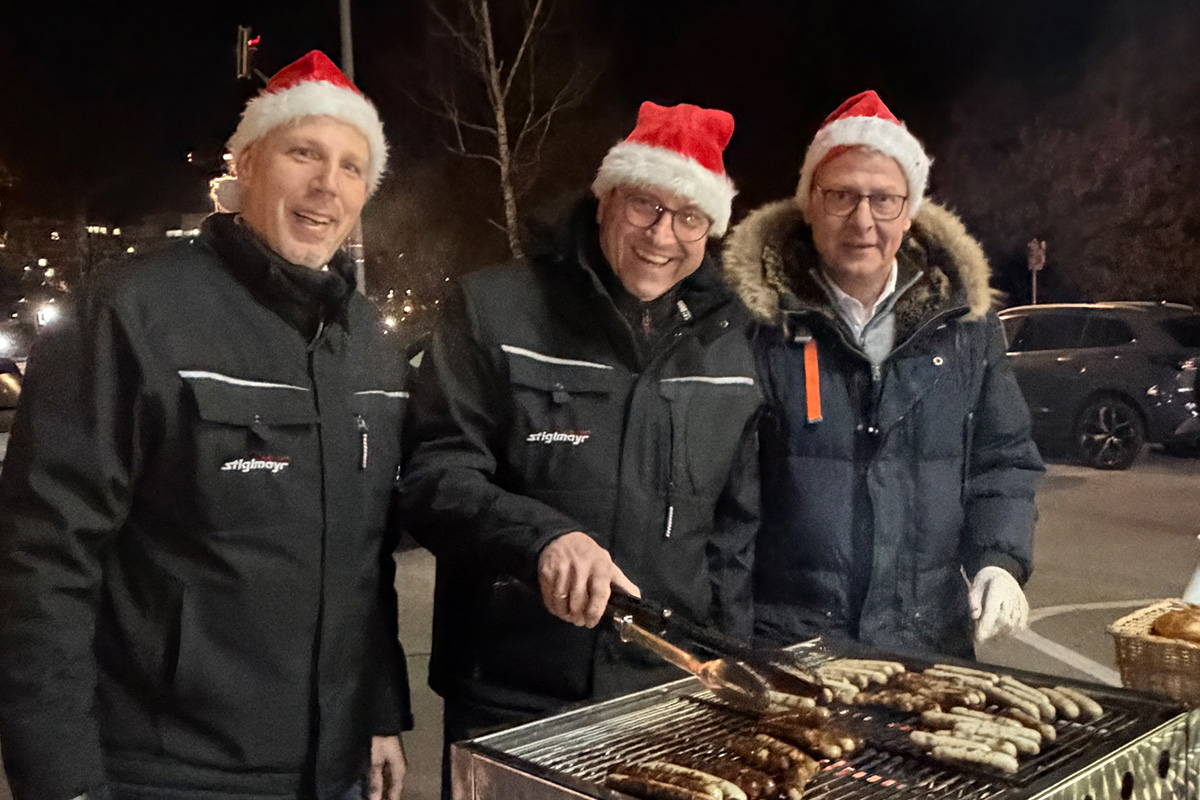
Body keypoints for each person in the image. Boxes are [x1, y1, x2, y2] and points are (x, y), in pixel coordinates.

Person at [0, 51, 410, 800]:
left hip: (334, 769)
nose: (328, 185)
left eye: (354, 166)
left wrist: (378, 712)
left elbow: (362, 557)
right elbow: (42, 565)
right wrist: (60, 780)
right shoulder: (131, 313)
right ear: (247, 163)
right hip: (169, 772)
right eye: (304, 153)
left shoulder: (371, 342)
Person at [400, 101, 761, 795]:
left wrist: (726, 668)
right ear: (604, 201)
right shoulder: (496, 310)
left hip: (666, 699)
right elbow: (433, 476)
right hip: (512, 696)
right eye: (645, 205)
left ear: (710, 230)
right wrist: (541, 540)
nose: (663, 235)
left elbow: (732, 538)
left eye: (689, 217)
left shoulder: (731, 343)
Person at [722, 90, 1045, 660]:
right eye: (841, 196)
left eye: (884, 199)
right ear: (810, 204)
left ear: (910, 209)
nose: (863, 220)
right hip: (791, 649)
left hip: (930, 644)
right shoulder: (755, 326)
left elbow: (1005, 458)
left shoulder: (965, 325)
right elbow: (720, 498)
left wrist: (1000, 559)